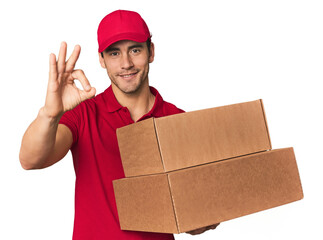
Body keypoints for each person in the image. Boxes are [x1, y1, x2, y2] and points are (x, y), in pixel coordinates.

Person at [19, 9, 219, 239]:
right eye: (114, 53)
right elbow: (30, 160)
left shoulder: (178, 121)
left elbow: (191, 209)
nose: (126, 63)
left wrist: (200, 217)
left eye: (135, 50)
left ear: (151, 51)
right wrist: (50, 114)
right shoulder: (84, 114)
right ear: (101, 60)